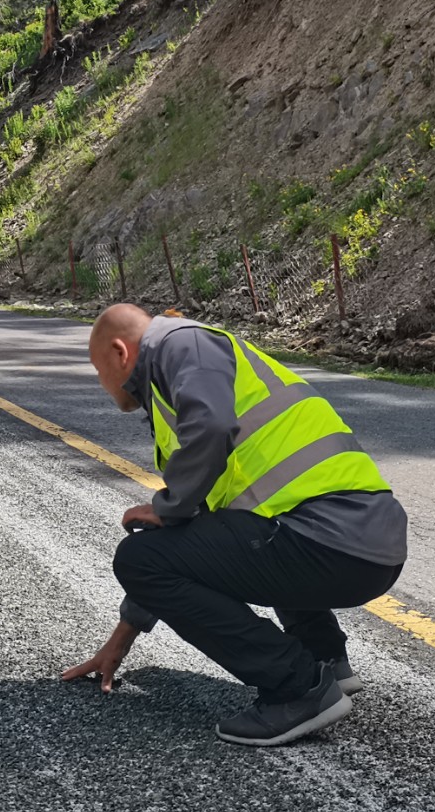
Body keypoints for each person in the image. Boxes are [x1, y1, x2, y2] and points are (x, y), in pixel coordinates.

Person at [62, 304, 408, 747]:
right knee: (242, 531)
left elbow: (211, 427)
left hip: (325, 543)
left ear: (119, 352)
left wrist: (169, 507)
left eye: (98, 370)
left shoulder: (180, 344)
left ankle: (298, 688)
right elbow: (195, 545)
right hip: (360, 547)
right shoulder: (192, 373)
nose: (101, 382)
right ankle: (325, 661)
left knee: (138, 558)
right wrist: (121, 640)